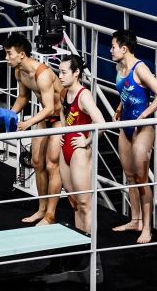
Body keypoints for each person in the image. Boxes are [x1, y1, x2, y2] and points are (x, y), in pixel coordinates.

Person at [110, 28, 157, 244]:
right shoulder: (119, 67)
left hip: (142, 130)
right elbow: (127, 92)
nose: (111, 50)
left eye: (114, 47)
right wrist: (118, 107)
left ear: (124, 49)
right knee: (130, 177)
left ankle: (147, 227)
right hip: (125, 126)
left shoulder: (140, 68)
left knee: (142, 179)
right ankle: (135, 220)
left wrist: (143, 116)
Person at [7, 36, 63, 225]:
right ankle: (41, 209)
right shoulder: (19, 72)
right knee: (37, 162)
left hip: (60, 118)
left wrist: (28, 122)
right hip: (45, 118)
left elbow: (49, 107)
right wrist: (10, 115)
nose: (6, 58)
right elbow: (23, 97)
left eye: (9, 54)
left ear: (22, 55)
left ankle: (51, 214)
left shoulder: (43, 74)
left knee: (51, 165)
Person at [52, 54, 105, 233]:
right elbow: (62, 114)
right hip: (65, 147)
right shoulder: (64, 92)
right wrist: (63, 130)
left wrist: (87, 140)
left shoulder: (84, 96)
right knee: (74, 202)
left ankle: (90, 248)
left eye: (64, 72)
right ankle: (79, 245)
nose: (60, 76)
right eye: (59, 72)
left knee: (84, 203)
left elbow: (102, 124)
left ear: (76, 73)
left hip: (79, 151)